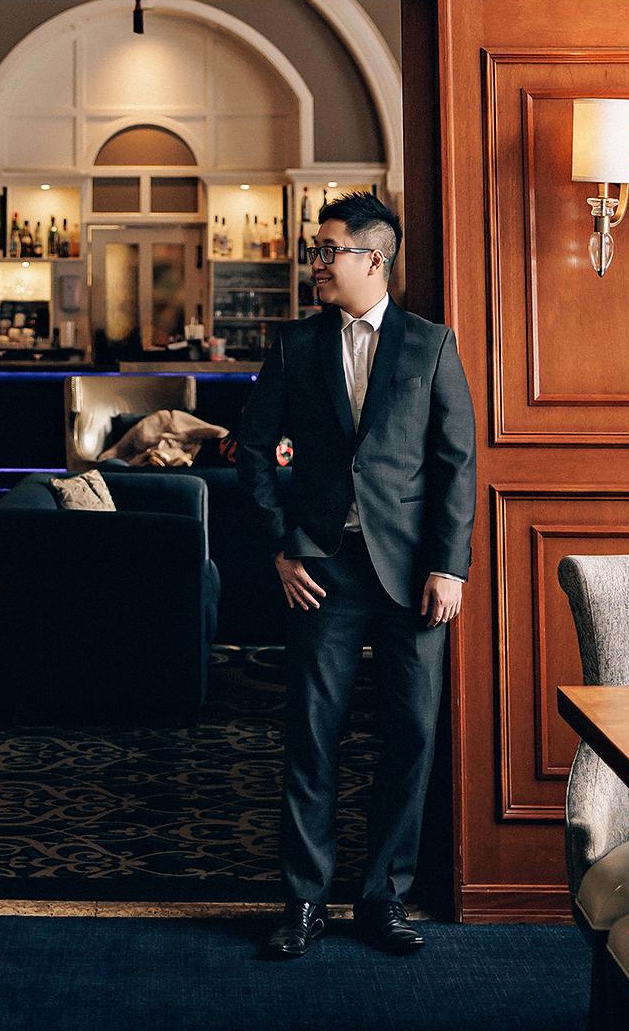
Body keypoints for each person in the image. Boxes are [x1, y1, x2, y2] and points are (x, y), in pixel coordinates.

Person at [236, 192, 475, 959]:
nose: (316, 262)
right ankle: (304, 902)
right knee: (312, 737)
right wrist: (282, 547)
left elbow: (455, 464)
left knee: (410, 734)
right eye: (316, 249)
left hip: (413, 579)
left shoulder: (430, 345)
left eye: (328, 249)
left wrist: (450, 566)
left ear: (374, 260)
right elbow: (251, 453)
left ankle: (384, 899)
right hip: (321, 572)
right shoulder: (293, 345)